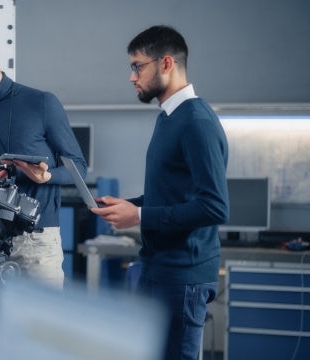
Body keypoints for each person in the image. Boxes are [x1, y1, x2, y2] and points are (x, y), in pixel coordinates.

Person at [89, 25, 229, 360]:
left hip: (184, 276)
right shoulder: (168, 117)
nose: (131, 77)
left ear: (166, 64)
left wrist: (138, 215)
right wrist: (130, 204)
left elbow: (213, 207)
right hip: (159, 268)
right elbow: (174, 193)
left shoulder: (197, 121)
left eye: (137, 66)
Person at [0, 38, 87, 290]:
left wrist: (46, 177)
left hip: (38, 241)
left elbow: (79, 168)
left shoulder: (42, 103)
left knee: (45, 327)